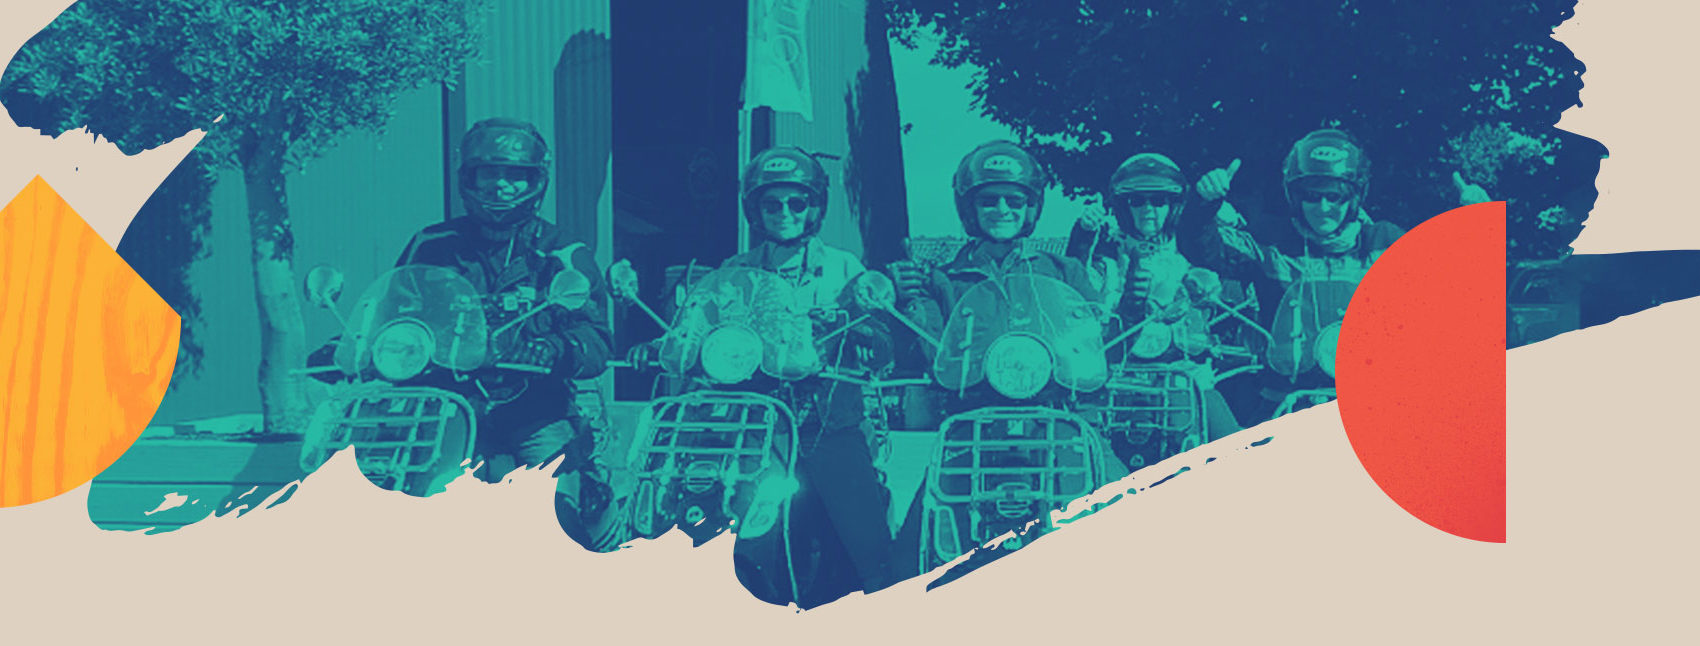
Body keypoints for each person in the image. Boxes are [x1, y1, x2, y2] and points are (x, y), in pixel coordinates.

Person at [389, 117, 616, 547]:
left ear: (535, 180)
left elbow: (597, 339)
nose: (501, 185)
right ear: (469, 177)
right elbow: (394, 312)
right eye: (489, 173)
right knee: (413, 496)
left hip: (534, 409)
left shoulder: (562, 252)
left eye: (515, 174)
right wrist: (353, 346)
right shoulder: (431, 244)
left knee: (557, 510)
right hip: (449, 404)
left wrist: (555, 348)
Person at [1194, 128, 1490, 418]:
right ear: (1295, 196)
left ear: (1354, 196)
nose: (1323, 207)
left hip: (1372, 401)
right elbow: (1206, 251)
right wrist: (1205, 206)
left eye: (1334, 196)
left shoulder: (1383, 241)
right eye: (1311, 195)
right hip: (1284, 401)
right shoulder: (1271, 242)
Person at [1064, 152, 1246, 455]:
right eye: (1137, 201)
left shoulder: (1188, 250)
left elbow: (1207, 245)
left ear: (1173, 206)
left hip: (1186, 371)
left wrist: (1207, 203)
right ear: (1124, 206)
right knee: (1081, 449)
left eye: (1159, 201)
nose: (1148, 208)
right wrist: (1082, 236)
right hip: (1116, 374)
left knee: (1235, 448)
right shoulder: (1108, 256)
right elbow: (1077, 287)